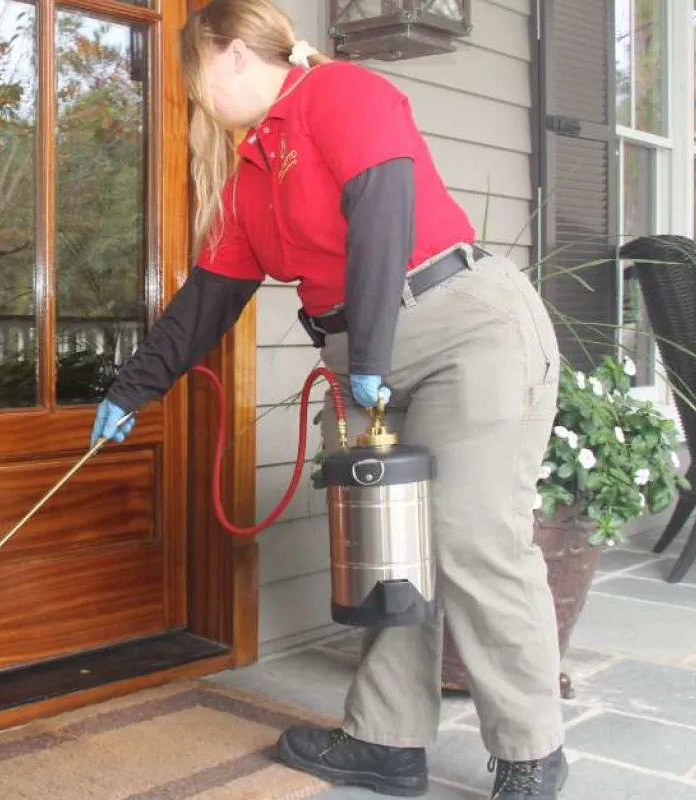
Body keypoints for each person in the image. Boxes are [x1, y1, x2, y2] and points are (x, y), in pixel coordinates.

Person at [89, 1, 568, 798]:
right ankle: (387, 739)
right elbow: (207, 300)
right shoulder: (249, 175)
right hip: (363, 354)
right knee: (387, 550)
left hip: (462, 329)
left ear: (236, 53)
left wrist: (372, 353)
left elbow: (384, 209)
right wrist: (133, 389)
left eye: (195, 77)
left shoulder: (340, 92)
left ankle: (531, 751)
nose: (195, 98)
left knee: (472, 537)